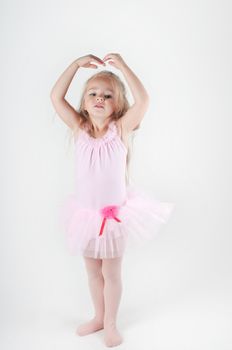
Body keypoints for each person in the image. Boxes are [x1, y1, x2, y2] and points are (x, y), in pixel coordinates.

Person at [50, 53, 175, 347]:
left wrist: (122, 66)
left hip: (114, 218)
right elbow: (56, 97)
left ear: (117, 105)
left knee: (111, 272)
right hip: (85, 217)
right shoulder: (79, 130)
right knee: (93, 271)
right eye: (93, 93)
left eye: (108, 96)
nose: (99, 98)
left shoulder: (120, 131)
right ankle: (97, 316)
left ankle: (110, 323)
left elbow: (143, 101)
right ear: (83, 102)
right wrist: (74, 65)